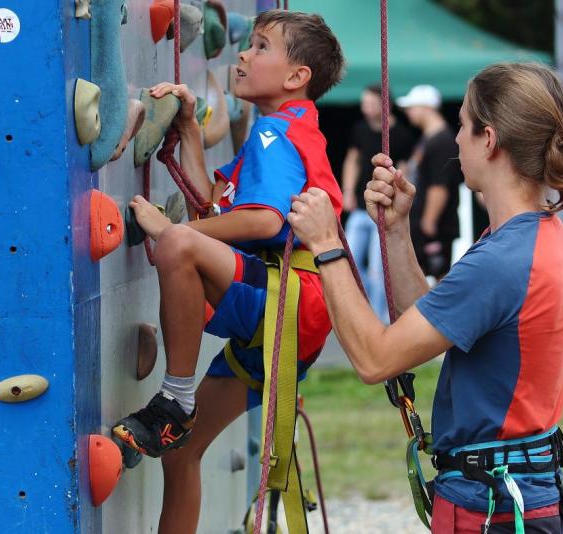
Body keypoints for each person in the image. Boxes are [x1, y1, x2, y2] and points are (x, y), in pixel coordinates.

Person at [288, 63, 563, 533]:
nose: (455, 140)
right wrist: (396, 231)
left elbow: (376, 360)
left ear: (489, 140)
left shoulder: (502, 260)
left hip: (491, 506)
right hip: (516, 493)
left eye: (463, 125)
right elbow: (435, 327)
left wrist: (327, 246)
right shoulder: (535, 236)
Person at [111, 10, 345, 533]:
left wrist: (168, 234)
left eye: (260, 47)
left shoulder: (274, 133)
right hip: (296, 314)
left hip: (290, 299)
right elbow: (217, 209)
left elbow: (263, 219)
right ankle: (179, 408)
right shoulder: (290, 132)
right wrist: (190, 129)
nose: (242, 54)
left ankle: (175, 396)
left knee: (177, 245)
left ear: (295, 77)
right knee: (181, 455)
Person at [342, 85, 417, 320]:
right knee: (349, 259)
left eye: (370, 102)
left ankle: (380, 318)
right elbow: (352, 160)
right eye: (364, 102)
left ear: (384, 105)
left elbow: (405, 170)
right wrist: (347, 191)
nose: (365, 107)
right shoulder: (360, 129)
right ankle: (363, 310)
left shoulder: (402, 134)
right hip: (361, 207)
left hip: (384, 208)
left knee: (379, 268)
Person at [397, 84, 464, 279]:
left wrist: (429, 220)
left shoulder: (442, 141)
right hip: (421, 222)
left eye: (412, 107)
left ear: (426, 107)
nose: (408, 112)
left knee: (438, 277)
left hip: (435, 226)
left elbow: (439, 186)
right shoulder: (428, 139)